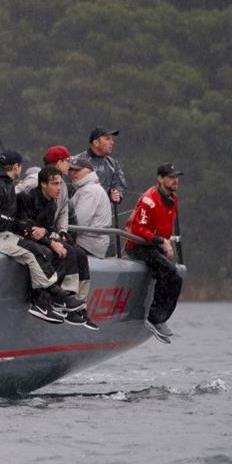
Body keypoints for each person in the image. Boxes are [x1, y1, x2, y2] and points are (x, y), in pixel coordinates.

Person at [0, 150, 84, 323]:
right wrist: (18, 224)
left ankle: (52, 300)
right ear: (16, 167)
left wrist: (23, 226)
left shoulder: (5, 184)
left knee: (38, 250)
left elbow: (7, 217)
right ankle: (48, 300)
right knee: (31, 251)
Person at [19, 165, 98, 330]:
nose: (59, 188)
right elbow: (28, 227)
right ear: (43, 184)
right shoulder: (27, 198)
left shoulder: (52, 204)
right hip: (24, 236)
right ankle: (62, 299)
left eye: (60, 184)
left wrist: (53, 234)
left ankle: (79, 305)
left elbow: (46, 228)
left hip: (42, 237)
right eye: (55, 184)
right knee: (63, 252)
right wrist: (51, 241)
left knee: (80, 254)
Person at [124, 163, 184, 344]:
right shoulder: (148, 199)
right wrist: (161, 241)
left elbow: (167, 224)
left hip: (156, 245)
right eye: (171, 177)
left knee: (177, 277)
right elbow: (138, 229)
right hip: (139, 246)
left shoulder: (173, 198)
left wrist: (167, 243)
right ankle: (155, 317)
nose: (175, 180)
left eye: (176, 177)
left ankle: (161, 318)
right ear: (160, 178)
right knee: (168, 272)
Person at [69, 159, 112, 258]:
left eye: (77, 170)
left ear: (89, 172)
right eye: (71, 170)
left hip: (88, 245)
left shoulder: (90, 190)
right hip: (90, 244)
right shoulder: (87, 188)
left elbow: (79, 223)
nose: (73, 173)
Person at [73, 127, 128, 204]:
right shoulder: (76, 161)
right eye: (108, 139)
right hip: (79, 211)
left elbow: (120, 185)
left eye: (112, 139)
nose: (112, 142)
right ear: (96, 143)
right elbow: (67, 188)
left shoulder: (113, 164)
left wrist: (117, 193)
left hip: (105, 212)